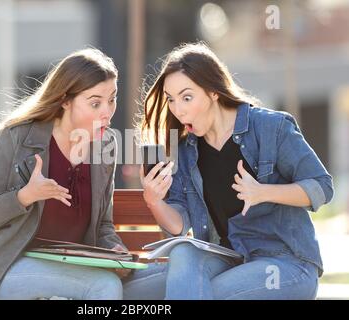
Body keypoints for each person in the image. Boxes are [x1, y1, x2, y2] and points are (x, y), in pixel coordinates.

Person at [136, 42, 334, 300]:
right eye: (171, 100)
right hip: (228, 258)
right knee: (133, 285)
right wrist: (153, 200)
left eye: (187, 97)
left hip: (285, 263)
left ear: (213, 92)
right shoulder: (186, 151)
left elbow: (322, 187)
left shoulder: (270, 128)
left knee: (206, 294)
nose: (178, 109)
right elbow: (178, 225)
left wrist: (263, 192)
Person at [0, 48, 130, 300]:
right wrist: (24, 196)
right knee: (103, 287)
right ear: (65, 100)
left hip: (73, 269)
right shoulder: (17, 138)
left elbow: (103, 224)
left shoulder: (106, 144)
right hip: (9, 267)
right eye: (95, 103)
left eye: (112, 99)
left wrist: (114, 251)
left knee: (162, 281)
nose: (107, 112)